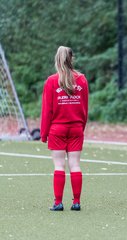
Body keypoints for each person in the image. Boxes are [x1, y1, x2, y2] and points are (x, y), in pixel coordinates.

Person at [40, 46, 89, 211]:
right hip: (76, 128)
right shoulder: (81, 79)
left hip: (57, 130)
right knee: (75, 165)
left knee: (59, 166)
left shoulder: (52, 80)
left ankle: (58, 203)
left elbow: (47, 111)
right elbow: (84, 108)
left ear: (57, 60)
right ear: (72, 59)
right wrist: (81, 126)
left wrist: (44, 133)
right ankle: (76, 202)